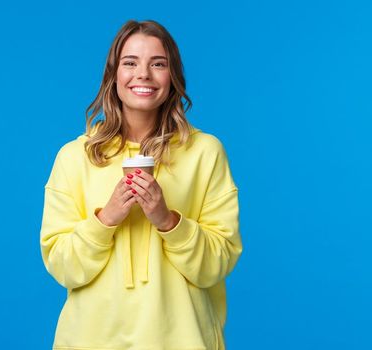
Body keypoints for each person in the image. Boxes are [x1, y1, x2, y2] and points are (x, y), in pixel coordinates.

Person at [39, 19, 242, 350]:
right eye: (130, 62)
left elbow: (216, 265)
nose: (143, 74)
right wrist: (107, 219)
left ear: (172, 76)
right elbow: (64, 267)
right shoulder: (74, 157)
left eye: (158, 64)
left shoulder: (206, 153)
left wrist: (168, 221)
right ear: (113, 75)